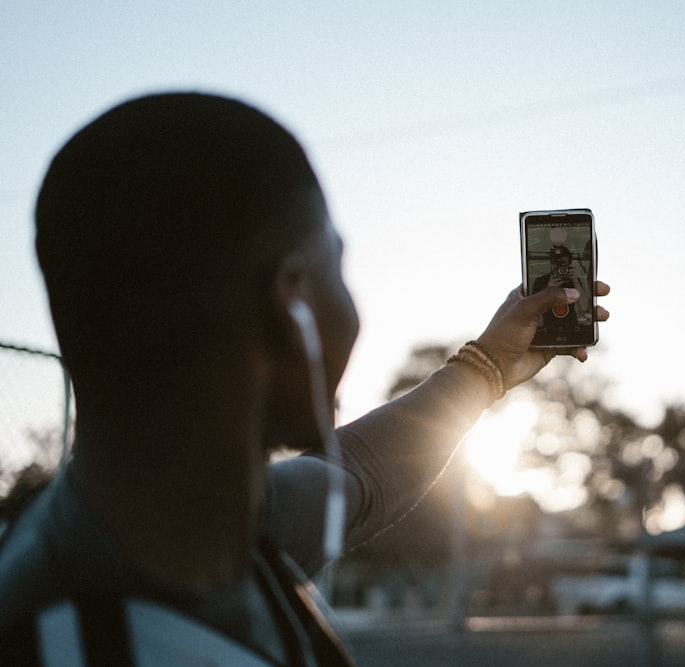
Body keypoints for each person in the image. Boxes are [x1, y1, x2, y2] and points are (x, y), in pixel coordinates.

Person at [0, 92, 609, 665]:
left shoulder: (207, 526)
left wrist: (491, 365)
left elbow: (360, 472)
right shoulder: (78, 642)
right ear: (290, 302)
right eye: (337, 265)